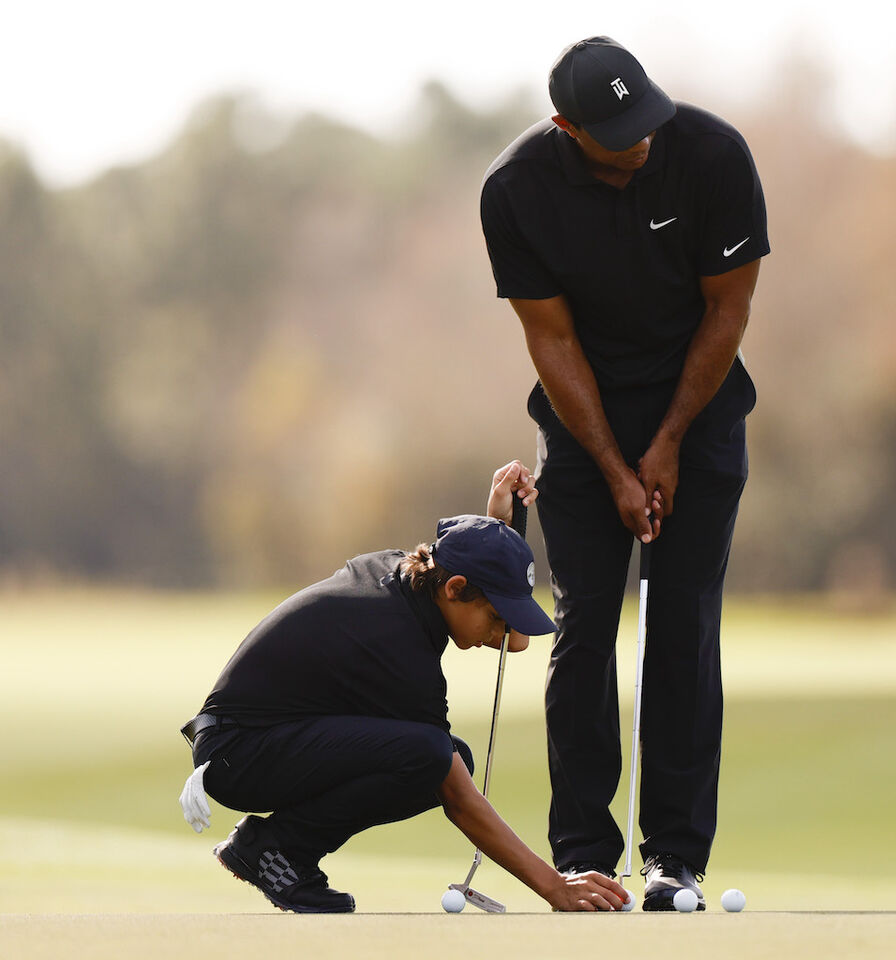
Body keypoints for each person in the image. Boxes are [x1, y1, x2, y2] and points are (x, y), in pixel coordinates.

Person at [480, 37, 768, 910]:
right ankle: (581, 855)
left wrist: (671, 439)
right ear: (568, 126)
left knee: (683, 623)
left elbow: (730, 309)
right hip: (582, 425)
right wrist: (611, 463)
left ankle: (675, 858)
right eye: (617, 133)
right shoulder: (517, 190)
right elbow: (551, 340)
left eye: (645, 119)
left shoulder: (712, 156)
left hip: (702, 414)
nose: (641, 140)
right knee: (585, 622)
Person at [176, 461, 630, 913]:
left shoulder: (412, 576)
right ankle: (277, 850)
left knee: (451, 757)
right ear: (454, 588)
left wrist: (499, 530)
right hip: (239, 752)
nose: (500, 634)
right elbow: (457, 796)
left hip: (265, 737)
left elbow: (515, 640)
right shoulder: (398, 648)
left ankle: (279, 848)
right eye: (494, 616)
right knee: (435, 758)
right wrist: (554, 886)